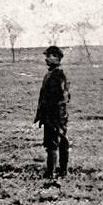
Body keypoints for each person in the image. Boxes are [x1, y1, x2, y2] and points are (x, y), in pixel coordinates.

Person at [33, 46, 71, 179]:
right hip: (53, 115)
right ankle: (59, 171)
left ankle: (52, 173)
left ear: (57, 57)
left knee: (53, 144)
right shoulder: (52, 73)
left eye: (49, 56)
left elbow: (61, 97)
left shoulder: (58, 74)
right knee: (56, 143)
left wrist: (53, 116)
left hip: (55, 115)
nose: (46, 59)